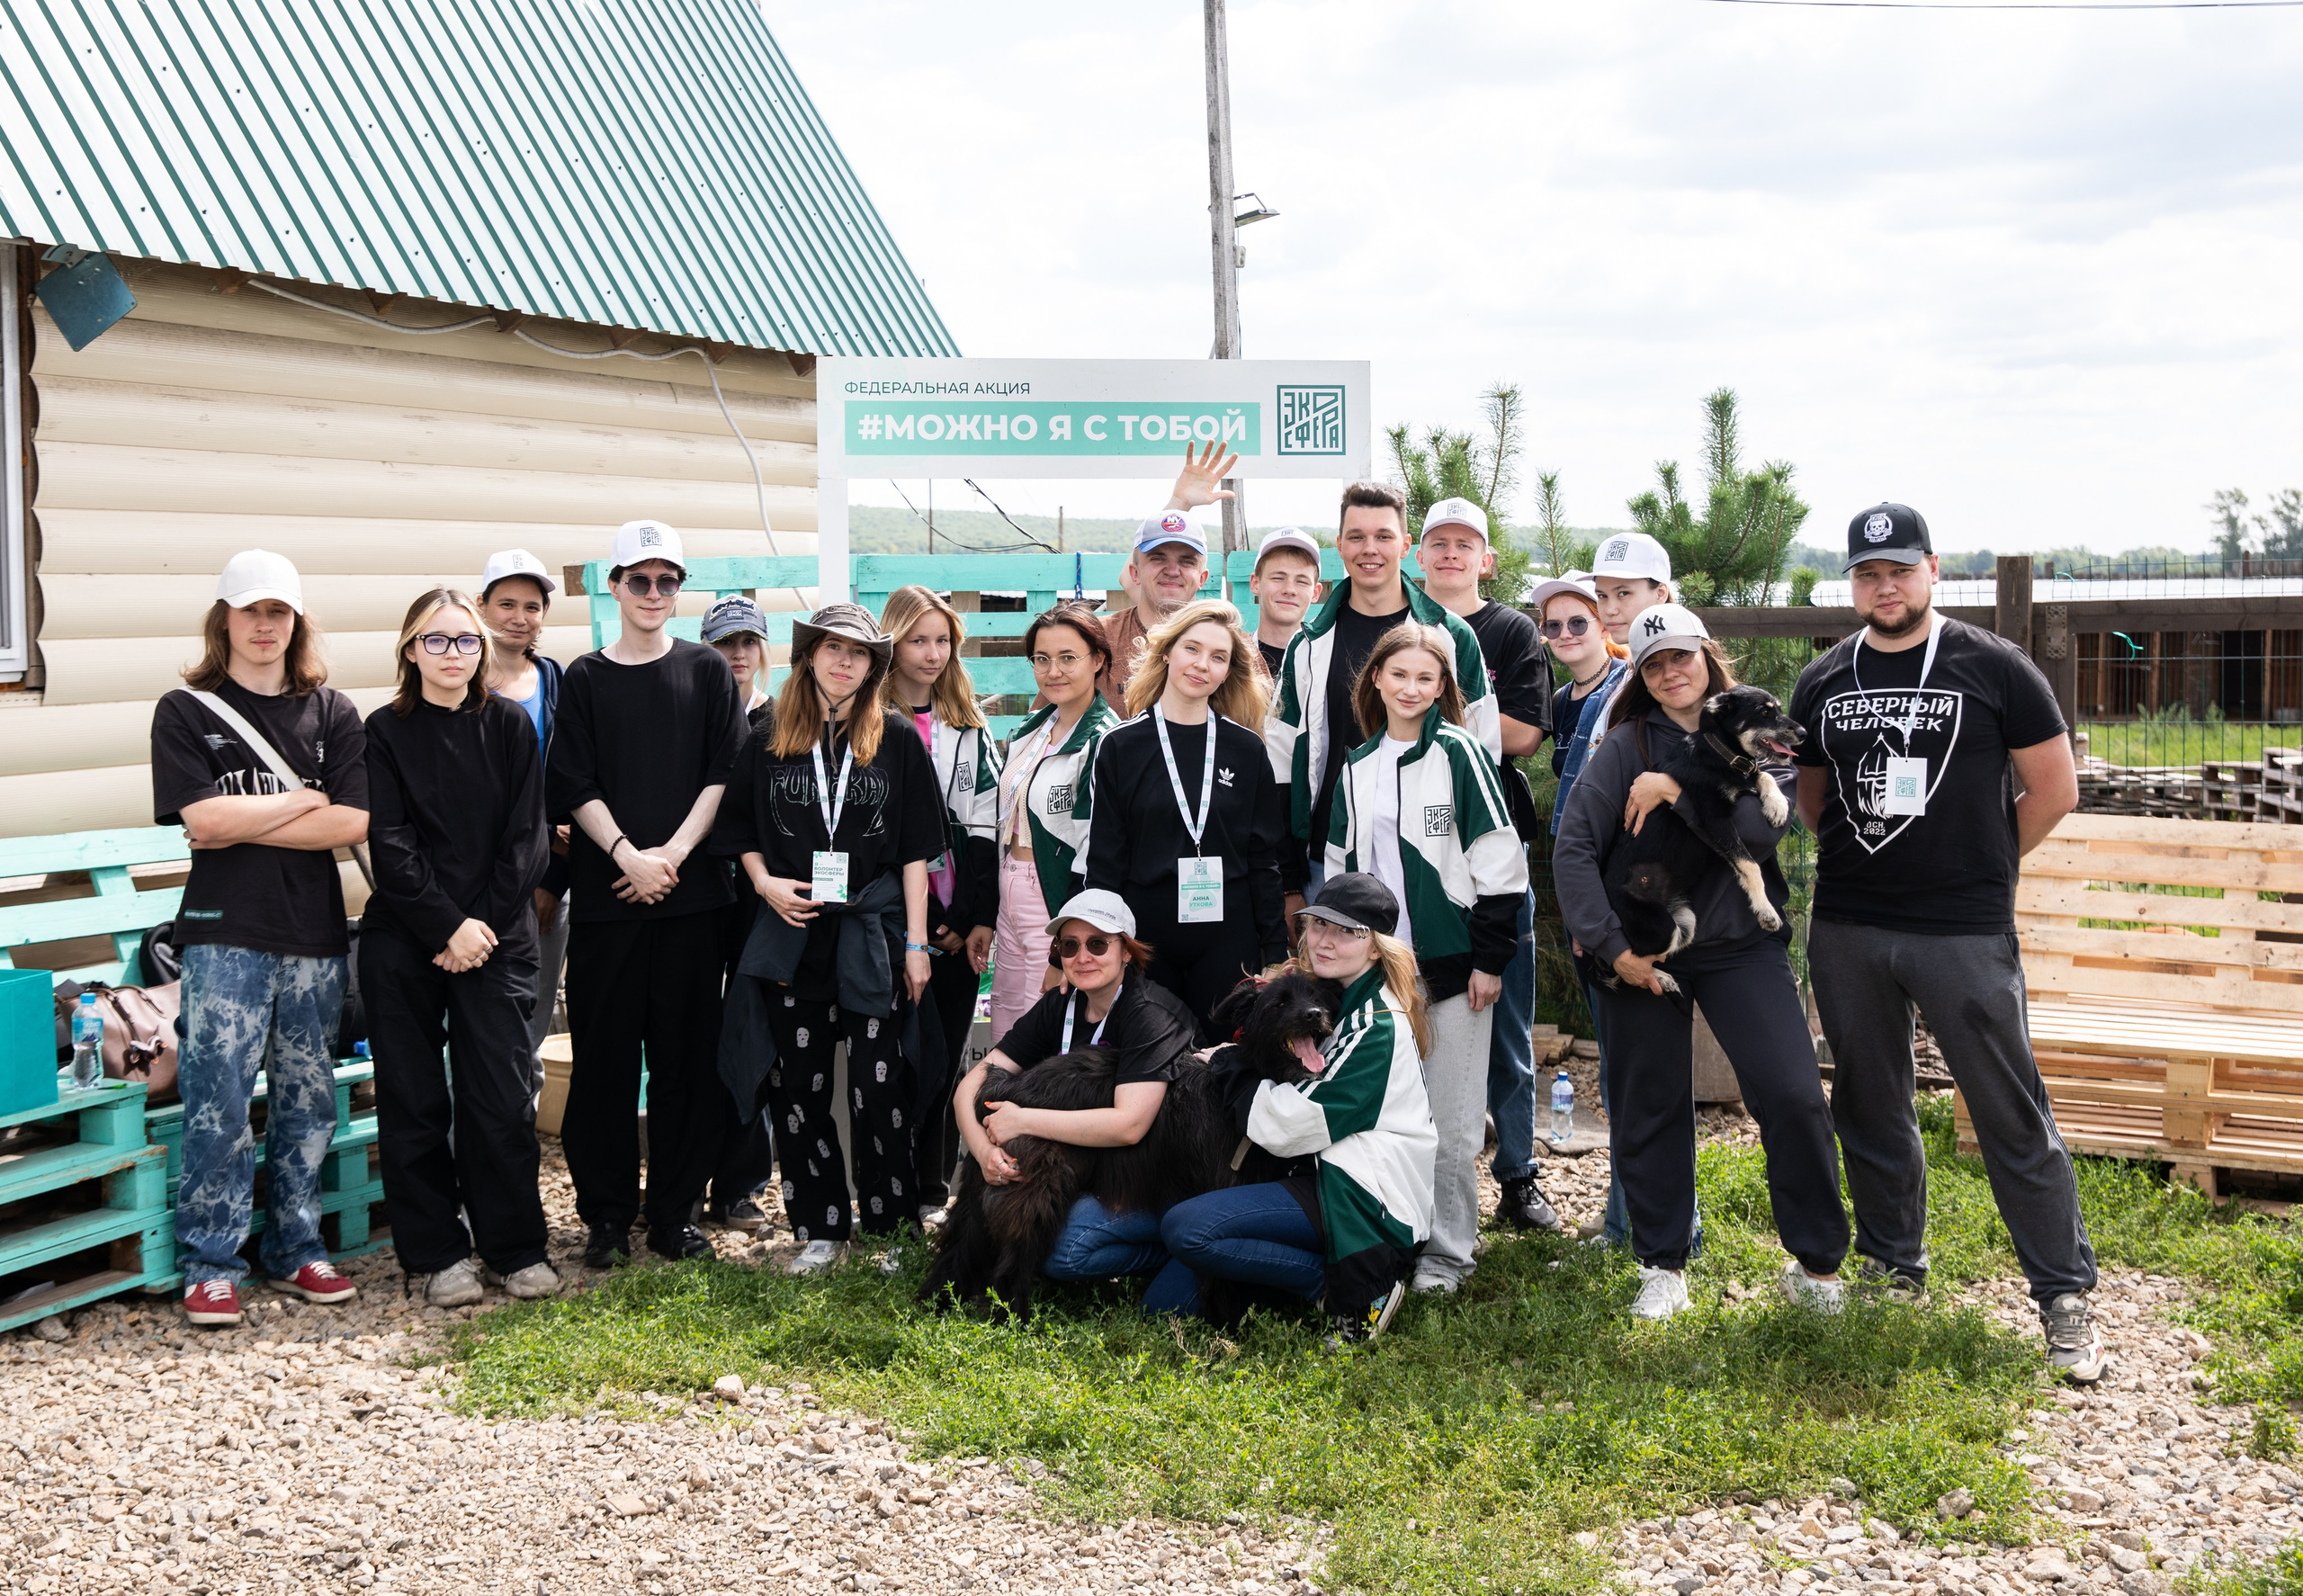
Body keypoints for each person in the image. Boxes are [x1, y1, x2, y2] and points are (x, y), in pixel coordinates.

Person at [1791, 502, 2102, 1381]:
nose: (1882, 585)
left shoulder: (1994, 667)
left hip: (1962, 930)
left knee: (2008, 1110)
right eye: (1866, 572)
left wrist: (1978, 863)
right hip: (1850, 926)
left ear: (1931, 570)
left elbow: (2052, 789)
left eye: (1898, 569)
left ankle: (2062, 1295)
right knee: (1869, 1101)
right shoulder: (1824, 679)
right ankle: (1894, 1269)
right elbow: (1815, 803)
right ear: (1851, 582)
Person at [1554, 605, 1850, 1320]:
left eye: (1681, 657)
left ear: (1708, 658)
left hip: (1740, 948)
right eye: (1653, 664)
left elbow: (1756, 830)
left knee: (1793, 1094)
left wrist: (1676, 790)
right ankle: (1663, 1265)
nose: (1669, 672)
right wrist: (1612, 947)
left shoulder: (1756, 742)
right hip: (1645, 945)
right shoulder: (1625, 747)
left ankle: (1816, 1270)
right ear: (1642, 676)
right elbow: (1572, 848)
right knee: (1649, 1105)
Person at [151, 550, 371, 1328]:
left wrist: (253, 819)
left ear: (297, 621)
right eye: (251, 611)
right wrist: (301, 801)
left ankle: (295, 1246)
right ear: (225, 621)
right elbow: (200, 821)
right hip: (223, 935)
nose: (265, 625)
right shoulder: (187, 710)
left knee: (308, 1104)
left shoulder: (332, 712)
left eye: (279, 612)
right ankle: (211, 1262)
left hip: (313, 935)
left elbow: (352, 821)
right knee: (217, 1100)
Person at [712, 603, 943, 1276]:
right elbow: (741, 836)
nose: (844, 662)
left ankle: (890, 1226)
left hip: (871, 937)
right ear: (808, 654)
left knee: (880, 1086)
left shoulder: (895, 738)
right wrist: (764, 887)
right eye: (831, 649)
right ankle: (819, 1227)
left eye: (859, 653)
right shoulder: (766, 733)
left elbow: (913, 856)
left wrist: (918, 945)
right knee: (801, 1087)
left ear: (874, 666)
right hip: (794, 933)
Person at [543, 518, 749, 1269]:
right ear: (616, 586)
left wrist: (671, 856)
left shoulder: (705, 673)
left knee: (685, 1063)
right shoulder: (585, 678)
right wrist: (628, 856)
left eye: (668, 581)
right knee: (602, 1062)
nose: (654, 594)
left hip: (692, 903)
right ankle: (604, 1216)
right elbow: (572, 780)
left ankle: (672, 1213)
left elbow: (723, 775)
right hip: (609, 902)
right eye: (640, 580)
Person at [361, 588, 556, 1307]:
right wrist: (446, 927)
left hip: (496, 937)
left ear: (481, 651)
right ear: (411, 650)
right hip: (407, 941)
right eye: (436, 641)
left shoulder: (508, 726)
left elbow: (526, 838)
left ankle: (512, 1248)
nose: (452, 654)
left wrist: (477, 929)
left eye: (465, 641)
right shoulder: (381, 732)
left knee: (500, 1099)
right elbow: (390, 841)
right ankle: (438, 1255)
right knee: (413, 1101)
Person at [1147, 874, 1434, 1345]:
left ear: (1377, 948)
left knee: (1188, 1230)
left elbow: (1289, 1123)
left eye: (1347, 932)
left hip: (1366, 1200)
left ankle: (1350, 1291)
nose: (1325, 941)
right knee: (1163, 1303)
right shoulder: (1340, 997)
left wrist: (1227, 1063)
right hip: (1323, 1174)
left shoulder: (1376, 1026)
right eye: (1319, 925)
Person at [1325, 623, 1528, 1292]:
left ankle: (1448, 1255)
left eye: (1426, 678)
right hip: (1379, 973)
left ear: (1443, 688)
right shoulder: (1355, 766)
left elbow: (1500, 862)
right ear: (1375, 680)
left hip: (1452, 965)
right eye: (1400, 675)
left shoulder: (1460, 753)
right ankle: (1396, 1241)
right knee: (1386, 1115)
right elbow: (1337, 871)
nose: (1411, 688)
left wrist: (1490, 960)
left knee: (1453, 1119)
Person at [1416, 497, 1561, 1235]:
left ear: (1486, 558)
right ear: (1420, 554)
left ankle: (1517, 1176)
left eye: (1464, 544)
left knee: (1506, 1020)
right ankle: (1417, 1180)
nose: (1450, 555)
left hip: (1488, 851)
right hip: (1410, 854)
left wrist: (1431, 697)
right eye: (1437, 542)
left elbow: (1523, 736)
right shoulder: (1399, 622)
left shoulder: (1508, 631)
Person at [1266, 481, 1496, 915]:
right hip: (1330, 857)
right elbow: (1280, 762)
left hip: (1428, 858)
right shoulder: (1310, 644)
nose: (1369, 549)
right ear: (1340, 545)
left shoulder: (1450, 637)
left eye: (1383, 536)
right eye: (1356, 537)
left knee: (1429, 983)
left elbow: (1483, 756)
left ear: (1406, 545)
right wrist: (1289, 879)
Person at [954, 890, 1201, 1285]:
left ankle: (1176, 1250)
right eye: (1069, 946)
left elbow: (1129, 1125)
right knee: (1020, 1223)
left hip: (1156, 1180)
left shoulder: (1150, 1015)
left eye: (1098, 943)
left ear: (1126, 952)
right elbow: (973, 1083)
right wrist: (983, 1153)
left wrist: (1024, 1121)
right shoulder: (1061, 1005)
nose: (1082, 957)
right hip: (1094, 1167)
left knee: (1062, 1251)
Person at [1080, 600, 1287, 1040]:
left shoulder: (1246, 749)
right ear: (1167, 651)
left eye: (1218, 657)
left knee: (1223, 1065)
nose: (1202, 665)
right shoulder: (1120, 745)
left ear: (1228, 671)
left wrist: (1274, 949)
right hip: (1145, 936)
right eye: (1192, 648)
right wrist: (1096, 944)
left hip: (1229, 936)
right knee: (1151, 1066)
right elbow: (1105, 862)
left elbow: (1263, 857)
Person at [879, 584, 1002, 1226]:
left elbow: (985, 831)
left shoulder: (969, 727)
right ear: (891, 643)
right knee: (890, 1059)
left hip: (953, 929)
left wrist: (967, 920)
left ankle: (931, 1187)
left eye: (942, 641)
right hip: (888, 923)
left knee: (944, 1054)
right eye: (917, 640)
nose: (931, 654)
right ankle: (884, 1187)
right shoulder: (866, 723)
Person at [1532, 572, 1634, 1245]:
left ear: (1605, 625)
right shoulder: (1568, 701)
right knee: (1622, 1070)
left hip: (1619, 905)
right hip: (1586, 904)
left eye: (1579, 621)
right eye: (1553, 626)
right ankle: (1628, 1216)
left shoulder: (1623, 694)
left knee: (1635, 1069)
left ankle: (1644, 1223)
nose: (1565, 635)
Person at [991, 605, 1119, 1040]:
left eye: (1068, 657)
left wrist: (1060, 946)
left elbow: (1093, 849)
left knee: (1040, 1024)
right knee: (1005, 1015)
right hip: (1009, 886)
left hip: (1050, 898)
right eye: (1041, 659)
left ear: (1097, 660)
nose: (1053, 671)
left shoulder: (1104, 738)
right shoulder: (1032, 727)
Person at [699, 593, 781, 1233]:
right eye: (726, 643)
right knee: (694, 1037)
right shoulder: (686, 711)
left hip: (760, 899)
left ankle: (741, 1184)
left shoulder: (781, 721)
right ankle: (683, 1175)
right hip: (697, 895)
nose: (737, 654)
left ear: (764, 651)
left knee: (753, 1035)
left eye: (748, 642)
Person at [479, 551, 569, 1076]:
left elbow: (569, 780)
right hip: (471, 877)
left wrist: (552, 876)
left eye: (531, 606)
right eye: (506, 603)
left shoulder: (556, 682)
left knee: (529, 1017)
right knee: (473, 1019)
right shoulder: (458, 680)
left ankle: (517, 1140)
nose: (519, 617)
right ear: (482, 606)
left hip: (543, 875)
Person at [1095, 441, 1238, 707]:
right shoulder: (1098, 639)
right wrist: (1179, 502)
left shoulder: (1229, 643)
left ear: (1202, 578)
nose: (1172, 571)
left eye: (1186, 561)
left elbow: (1258, 724)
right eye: (1158, 558)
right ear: (1135, 573)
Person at [1584, 531, 1675, 747]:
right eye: (1602, 596)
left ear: (1660, 593)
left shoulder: (1682, 677)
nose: (1610, 610)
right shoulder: (1618, 679)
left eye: (1623, 593)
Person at [1247, 528, 1324, 680]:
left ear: (1316, 592)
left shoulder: (1326, 661)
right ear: (1256, 583)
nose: (1289, 590)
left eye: (1301, 581)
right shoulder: (1232, 656)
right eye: (1278, 578)